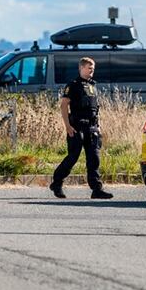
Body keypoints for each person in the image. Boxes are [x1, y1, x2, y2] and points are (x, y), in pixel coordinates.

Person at [50, 57, 113, 200]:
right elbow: (64, 105)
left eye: (93, 68)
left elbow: (94, 109)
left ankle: (96, 189)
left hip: (92, 127)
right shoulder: (73, 85)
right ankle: (57, 182)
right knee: (73, 157)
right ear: (81, 68)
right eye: (89, 68)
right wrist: (67, 126)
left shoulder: (92, 86)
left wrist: (98, 126)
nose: (92, 71)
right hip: (77, 126)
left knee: (94, 158)